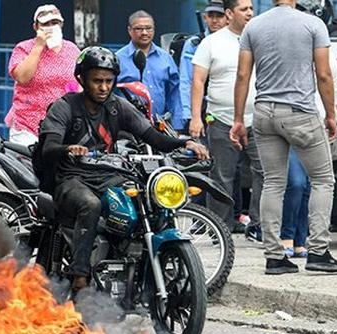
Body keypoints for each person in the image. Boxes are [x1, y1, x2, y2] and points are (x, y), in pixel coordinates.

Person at [37, 46, 209, 292]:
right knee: (91, 205)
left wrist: (186, 142)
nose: (104, 87)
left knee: (144, 201)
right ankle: (80, 276)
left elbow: (153, 137)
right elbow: (49, 147)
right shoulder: (65, 107)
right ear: (81, 79)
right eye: (97, 81)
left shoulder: (117, 106)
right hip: (71, 178)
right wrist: (68, 149)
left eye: (109, 81)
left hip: (108, 176)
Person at [231, 0, 337, 274]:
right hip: (300, 112)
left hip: (263, 112)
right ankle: (318, 253)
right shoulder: (313, 24)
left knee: (273, 183)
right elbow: (324, 74)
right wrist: (330, 115)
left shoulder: (254, 26)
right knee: (322, 180)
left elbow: (242, 75)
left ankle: (274, 257)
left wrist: (238, 119)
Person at [188, 0, 262, 236]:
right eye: (244, 9)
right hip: (221, 119)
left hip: (258, 119)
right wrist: (196, 118)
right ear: (230, 14)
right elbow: (198, 81)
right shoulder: (211, 43)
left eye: (251, 8)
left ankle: (259, 226)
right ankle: (220, 229)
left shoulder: (260, 38)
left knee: (264, 172)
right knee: (221, 175)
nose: (249, 13)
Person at [282, 50, 337, 257]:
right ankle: (286, 236)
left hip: (319, 132)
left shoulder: (327, 63)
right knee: (296, 182)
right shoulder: (289, 59)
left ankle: (301, 241)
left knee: (311, 186)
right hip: (292, 128)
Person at [4, 4, 81, 146]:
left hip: (62, 125)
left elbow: (79, 83)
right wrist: (38, 46)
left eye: (55, 23)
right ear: (36, 27)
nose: (51, 27)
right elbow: (22, 77)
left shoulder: (72, 49)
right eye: (46, 24)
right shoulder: (24, 48)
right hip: (28, 126)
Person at [116, 11, 183, 130]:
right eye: (139, 29)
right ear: (129, 30)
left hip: (160, 126)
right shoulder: (118, 59)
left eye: (148, 28)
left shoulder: (165, 58)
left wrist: (177, 126)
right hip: (127, 127)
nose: (144, 33)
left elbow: (175, 93)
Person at [179, 0, 227, 129]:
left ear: (228, 17)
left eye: (219, 16)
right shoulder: (194, 44)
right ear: (205, 18)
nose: (215, 20)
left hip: (226, 111)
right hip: (201, 109)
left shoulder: (236, 42)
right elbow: (186, 81)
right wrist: (189, 115)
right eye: (211, 16)